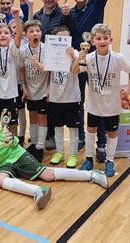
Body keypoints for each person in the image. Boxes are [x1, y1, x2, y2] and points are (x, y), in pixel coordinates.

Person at [0, 101, 108, 210]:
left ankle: (91, 175)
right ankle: (37, 191)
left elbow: (13, 141)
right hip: (2, 166)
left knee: (48, 175)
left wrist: (12, 138)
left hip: (16, 155)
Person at [69, 0, 130, 157]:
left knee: (102, 102)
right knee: (80, 102)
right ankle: (83, 139)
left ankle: (102, 144)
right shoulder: (69, 13)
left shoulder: (96, 3)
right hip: (80, 62)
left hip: (98, 62)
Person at [76, 24, 130, 177]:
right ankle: (89, 159)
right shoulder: (88, 58)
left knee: (112, 132)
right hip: (94, 104)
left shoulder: (118, 58)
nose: (102, 41)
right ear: (92, 41)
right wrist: (78, 59)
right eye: (98, 38)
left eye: (105, 38)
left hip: (112, 105)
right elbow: (75, 71)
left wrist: (128, 87)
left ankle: (109, 161)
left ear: (110, 40)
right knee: (90, 131)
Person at [33, 0, 72, 149]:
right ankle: (48, 135)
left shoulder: (62, 13)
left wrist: (67, 15)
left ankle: (62, 137)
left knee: (58, 100)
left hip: (60, 62)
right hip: (43, 62)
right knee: (45, 99)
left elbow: (69, 30)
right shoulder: (37, 15)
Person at [46, 26, 81, 168]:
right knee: (57, 126)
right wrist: (47, 90)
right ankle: (60, 152)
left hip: (71, 97)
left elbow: (76, 70)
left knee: (73, 127)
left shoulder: (76, 53)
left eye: (66, 38)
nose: (63, 41)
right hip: (55, 97)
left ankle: (73, 154)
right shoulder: (50, 53)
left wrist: (73, 57)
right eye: (60, 38)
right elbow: (47, 73)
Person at [0, 7, 23, 136]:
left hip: (11, 93)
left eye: (6, 33)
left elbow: (19, 34)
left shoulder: (13, 48)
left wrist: (16, 18)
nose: (2, 35)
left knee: (12, 123)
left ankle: (14, 145)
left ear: (11, 36)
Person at [19, 20, 49, 163]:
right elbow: (21, 68)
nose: (35, 33)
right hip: (30, 90)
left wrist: (38, 64)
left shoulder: (47, 49)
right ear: (25, 35)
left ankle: (40, 146)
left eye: (37, 30)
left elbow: (51, 70)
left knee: (42, 116)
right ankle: (34, 143)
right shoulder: (23, 51)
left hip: (44, 89)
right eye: (31, 31)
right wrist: (23, 85)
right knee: (32, 115)